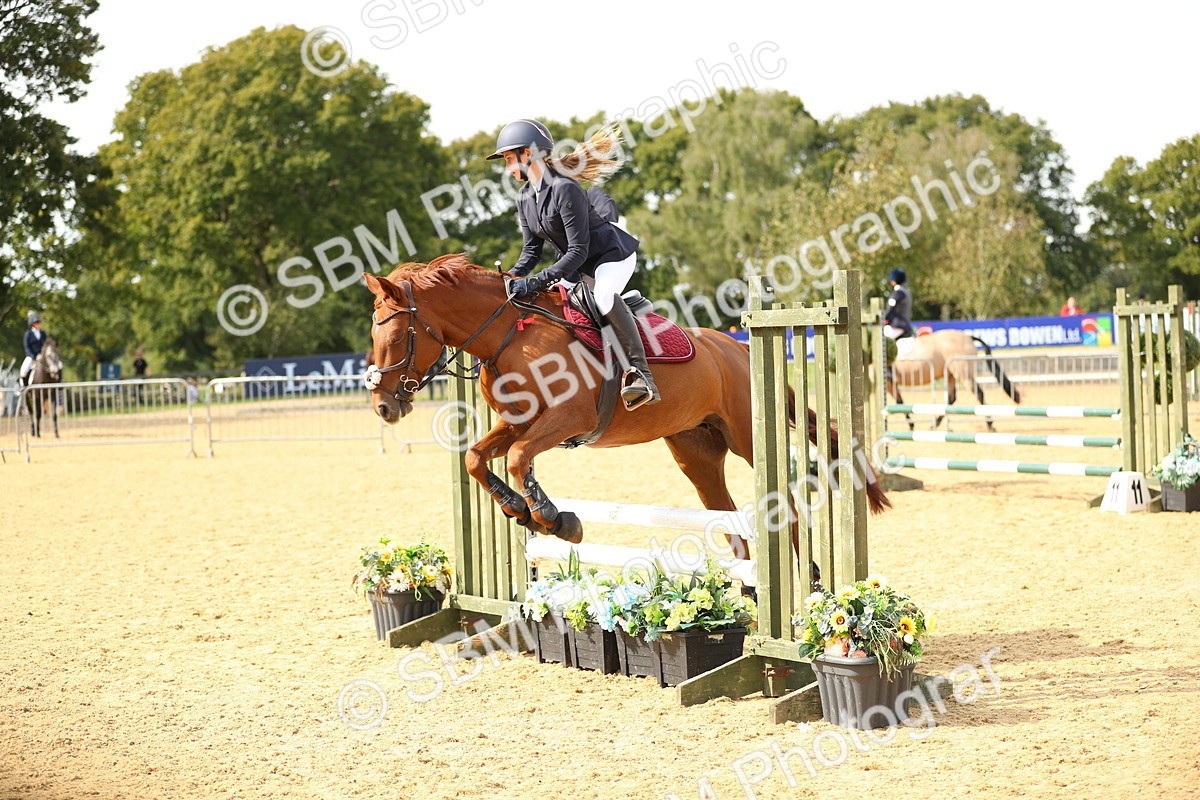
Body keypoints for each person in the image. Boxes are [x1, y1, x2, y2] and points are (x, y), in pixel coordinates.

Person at [491, 119, 659, 409]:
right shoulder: (525, 197)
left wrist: (537, 278)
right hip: (576, 264)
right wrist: (511, 276)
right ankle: (621, 315)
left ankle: (641, 374)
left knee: (603, 296)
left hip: (611, 256)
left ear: (529, 154)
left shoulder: (564, 189)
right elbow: (532, 250)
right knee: (546, 300)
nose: (507, 167)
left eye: (509, 158)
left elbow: (579, 250)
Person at [19, 311, 49, 387]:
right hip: (32, 357)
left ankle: (59, 383)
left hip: (42, 356)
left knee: (55, 366)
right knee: (23, 370)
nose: (39, 324)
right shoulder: (28, 334)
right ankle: (22, 387)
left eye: (39, 322)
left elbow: (46, 344)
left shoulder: (43, 333)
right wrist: (33, 356)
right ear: (33, 324)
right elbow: (27, 347)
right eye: (37, 322)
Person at [882, 269, 913, 341]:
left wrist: (884, 319)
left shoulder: (898, 293)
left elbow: (891, 308)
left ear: (893, 280)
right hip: (904, 324)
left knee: (879, 338)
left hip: (897, 325)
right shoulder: (906, 291)